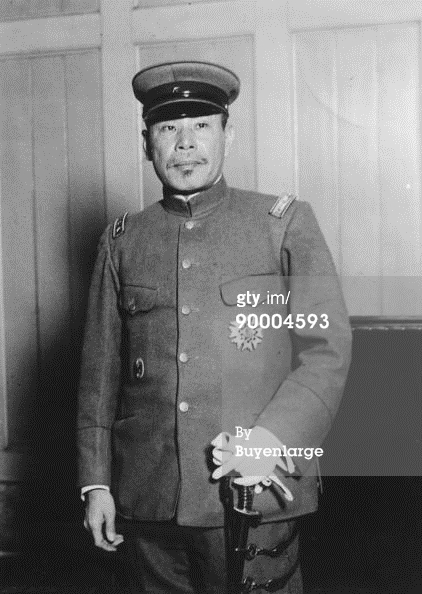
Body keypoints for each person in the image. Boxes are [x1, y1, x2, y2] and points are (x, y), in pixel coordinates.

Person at [77, 60, 352, 593]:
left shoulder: (282, 224)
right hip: (148, 498)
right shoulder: (121, 241)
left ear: (228, 134)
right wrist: (96, 483)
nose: (185, 144)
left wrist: (272, 438)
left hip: (253, 489)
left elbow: (327, 350)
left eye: (201, 125)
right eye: (168, 128)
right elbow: (99, 377)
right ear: (147, 144)